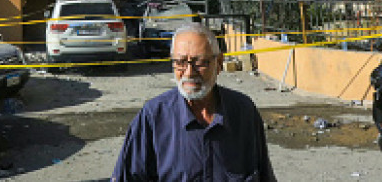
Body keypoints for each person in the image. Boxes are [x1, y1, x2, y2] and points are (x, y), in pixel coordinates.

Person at [112, 23, 276, 182]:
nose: (189, 73)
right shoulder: (153, 117)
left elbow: (263, 174)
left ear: (219, 63)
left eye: (200, 62)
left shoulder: (243, 111)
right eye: (180, 62)